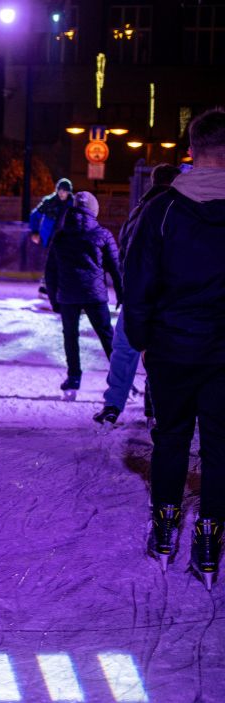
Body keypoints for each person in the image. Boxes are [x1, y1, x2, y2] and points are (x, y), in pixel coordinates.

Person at [123, 108, 225, 587]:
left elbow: (138, 282)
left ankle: (165, 532)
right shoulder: (162, 209)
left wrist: (142, 338)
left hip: (174, 348)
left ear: (192, 150)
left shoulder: (161, 209)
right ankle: (208, 539)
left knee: (171, 439)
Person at [93, 163, 180, 428]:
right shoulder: (177, 209)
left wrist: (126, 289)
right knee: (157, 350)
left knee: (125, 349)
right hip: (163, 294)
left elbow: (124, 254)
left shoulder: (139, 210)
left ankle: (113, 405)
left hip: (136, 293)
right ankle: (155, 407)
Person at [42, 191, 120, 400]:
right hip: (95, 295)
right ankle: (120, 379)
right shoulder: (103, 234)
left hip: (68, 295)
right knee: (106, 335)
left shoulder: (61, 235)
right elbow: (116, 268)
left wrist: (54, 299)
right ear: (94, 210)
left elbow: (50, 272)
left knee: (70, 336)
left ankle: (74, 377)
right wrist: (122, 295)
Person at [30, 178, 74, 247]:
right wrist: (35, 232)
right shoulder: (49, 202)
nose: (61, 193)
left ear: (68, 192)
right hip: (48, 240)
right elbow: (34, 215)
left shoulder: (74, 205)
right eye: (59, 190)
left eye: (64, 191)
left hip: (66, 241)